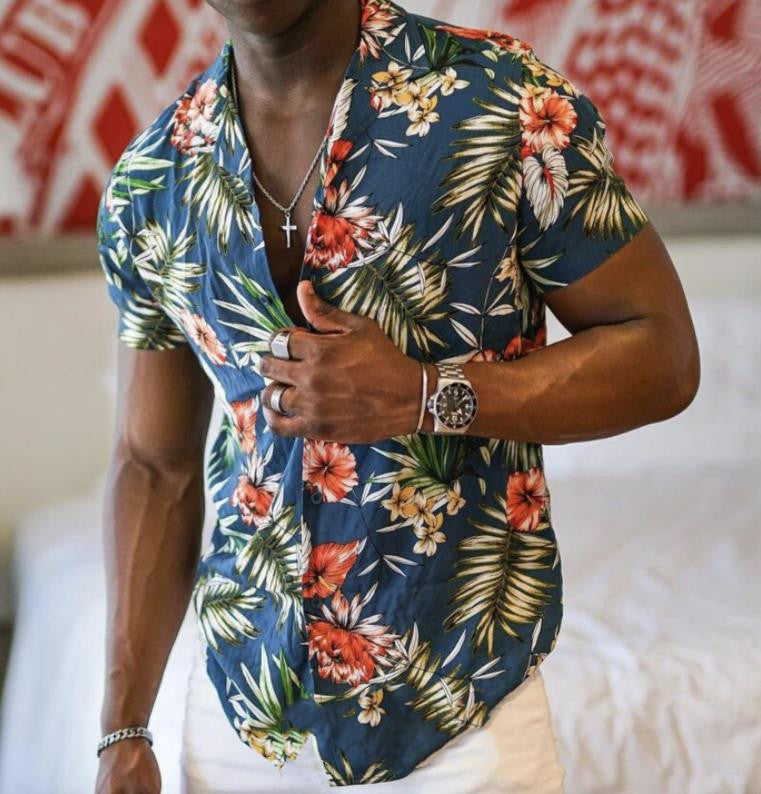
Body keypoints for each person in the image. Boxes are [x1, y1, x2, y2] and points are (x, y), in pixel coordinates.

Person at [93, 0, 700, 791]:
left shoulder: (500, 101)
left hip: (460, 705)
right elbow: (153, 463)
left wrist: (425, 393)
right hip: (242, 721)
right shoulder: (153, 180)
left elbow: (661, 353)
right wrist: (122, 728)